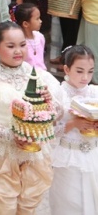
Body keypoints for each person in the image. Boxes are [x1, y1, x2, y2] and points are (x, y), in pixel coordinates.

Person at [0, 22, 62, 215]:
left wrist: (51, 105)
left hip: (35, 154)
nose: (18, 51)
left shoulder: (41, 77)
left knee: (27, 208)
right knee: (2, 209)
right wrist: (11, 136)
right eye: (11, 46)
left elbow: (56, 114)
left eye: (22, 45)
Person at [50, 45, 98, 215]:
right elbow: (47, 131)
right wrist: (73, 124)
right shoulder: (58, 94)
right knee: (69, 203)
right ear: (66, 69)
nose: (85, 77)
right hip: (67, 156)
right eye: (79, 71)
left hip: (93, 155)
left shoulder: (94, 92)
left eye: (90, 71)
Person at [12, 3, 46, 71]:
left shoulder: (40, 37)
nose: (40, 21)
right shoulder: (20, 42)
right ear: (25, 24)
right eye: (37, 19)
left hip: (42, 76)